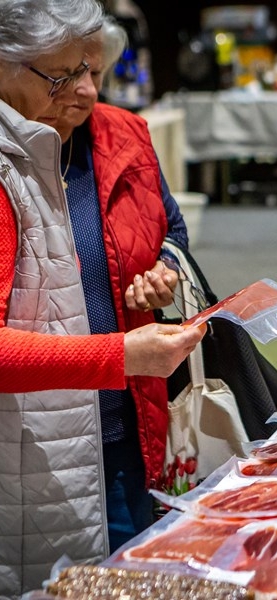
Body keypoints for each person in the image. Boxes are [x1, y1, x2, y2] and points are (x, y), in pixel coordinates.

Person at [0, 0, 205, 596]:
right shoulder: (15, 162)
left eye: (93, 70)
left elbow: (170, 229)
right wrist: (120, 355)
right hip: (35, 451)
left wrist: (165, 269)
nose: (86, 90)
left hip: (129, 425)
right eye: (64, 76)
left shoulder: (123, 135)